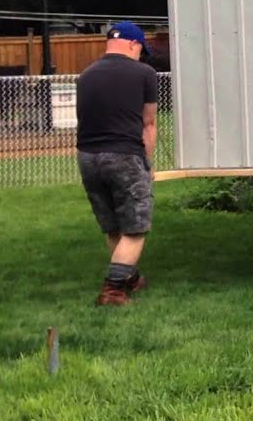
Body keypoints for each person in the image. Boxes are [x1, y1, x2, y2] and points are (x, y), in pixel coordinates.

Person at [75, 21, 159, 306]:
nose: (141, 56)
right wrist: (147, 164)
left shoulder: (85, 75)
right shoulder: (144, 73)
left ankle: (131, 278)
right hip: (124, 155)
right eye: (141, 50)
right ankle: (113, 291)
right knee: (135, 228)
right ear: (134, 45)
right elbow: (147, 123)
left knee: (113, 226)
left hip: (87, 157)